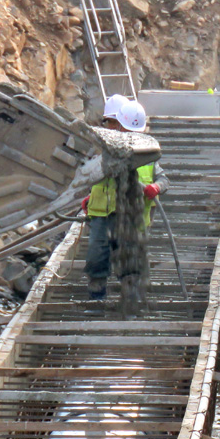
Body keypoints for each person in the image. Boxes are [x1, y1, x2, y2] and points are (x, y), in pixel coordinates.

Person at [82, 98, 169, 300]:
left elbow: (164, 179)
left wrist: (155, 187)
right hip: (102, 213)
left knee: (130, 260)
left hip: (132, 215)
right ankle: (96, 296)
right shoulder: (103, 150)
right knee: (97, 256)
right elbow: (91, 176)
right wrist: (89, 196)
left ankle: (131, 301)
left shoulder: (147, 153)